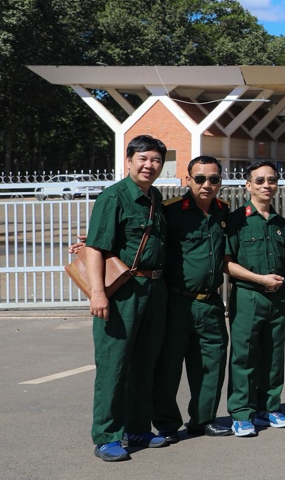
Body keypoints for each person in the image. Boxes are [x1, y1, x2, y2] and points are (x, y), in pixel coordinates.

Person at [84, 135, 170, 461]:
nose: (149, 165)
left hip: (153, 290)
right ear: (129, 160)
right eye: (143, 159)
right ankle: (107, 435)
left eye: (156, 160)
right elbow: (96, 248)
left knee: (144, 364)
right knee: (114, 366)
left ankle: (137, 428)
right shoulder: (114, 197)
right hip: (121, 293)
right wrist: (98, 293)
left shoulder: (154, 197)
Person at [152, 155, 231, 441]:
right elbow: (140, 238)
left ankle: (203, 419)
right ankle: (167, 424)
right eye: (200, 178)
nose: (206, 184)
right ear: (188, 180)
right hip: (176, 302)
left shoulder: (225, 211)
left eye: (213, 179)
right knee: (169, 366)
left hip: (210, 303)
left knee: (211, 364)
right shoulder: (170, 211)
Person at [224, 159, 285, 435]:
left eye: (272, 180)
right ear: (248, 185)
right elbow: (226, 263)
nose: (267, 185)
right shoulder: (236, 220)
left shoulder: (281, 223)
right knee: (244, 356)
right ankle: (242, 413)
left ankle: (270, 409)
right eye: (260, 180)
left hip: (276, 299)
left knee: (274, 356)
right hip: (248, 296)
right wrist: (259, 279)